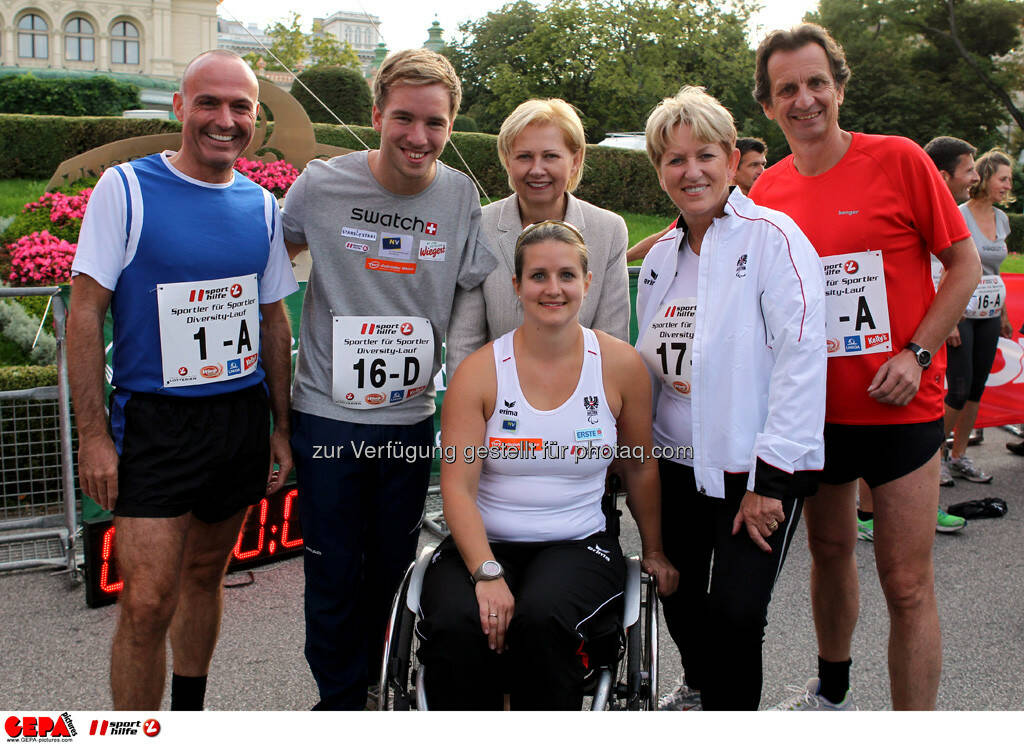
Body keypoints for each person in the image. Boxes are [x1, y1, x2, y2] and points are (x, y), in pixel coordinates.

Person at [749, 24, 981, 710]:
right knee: (829, 553)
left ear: (840, 88)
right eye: (787, 88)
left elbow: (963, 266)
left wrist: (917, 352)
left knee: (906, 583)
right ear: (768, 105)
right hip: (815, 416)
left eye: (817, 82)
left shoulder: (900, 160)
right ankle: (834, 692)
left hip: (900, 407)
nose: (805, 99)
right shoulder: (767, 189)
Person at [67, 49, 298, 710]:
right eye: (209, 103)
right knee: (144, 603)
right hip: (155, 422)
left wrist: (281, 427)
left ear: (255, 117)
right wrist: (92, 436)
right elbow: (84, 315)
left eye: (240, 107)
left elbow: (273, 318)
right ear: (180, 107)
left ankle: (190, 717)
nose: (224, 120)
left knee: (206, 574)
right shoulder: (127, 188)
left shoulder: (261, 205)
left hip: (238, 419)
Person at [281, 49, 497, 710]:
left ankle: (381, 687)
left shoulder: (459, 195)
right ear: (377, 114)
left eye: (434, 122)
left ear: (451, 125)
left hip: (407, 420)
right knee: (333, 571)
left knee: (394, 571)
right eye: (403, 117)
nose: (418, 136)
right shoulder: (321, 185)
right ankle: (339, 702)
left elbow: (470, 299)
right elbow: (272, 260)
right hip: (326, 417)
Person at [415, 220, 679, 710]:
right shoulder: (480, 372)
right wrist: (486, 571)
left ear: (587, 282)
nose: (552, 289)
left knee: (543, 618)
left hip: (576, 542)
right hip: (487, 541)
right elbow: (456, 487)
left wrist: (656, 550)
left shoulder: (620, 366)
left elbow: (640, 467)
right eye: (537, 276)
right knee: (456, 621)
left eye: (565, 275)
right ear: (516, 286)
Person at [637, 86, 826, 711]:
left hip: (754, 469)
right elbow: (650, 363)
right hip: (674, 463)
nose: (690, 171)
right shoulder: (661, 257)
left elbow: (801, 359)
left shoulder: (774, 236)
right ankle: (700, 688)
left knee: (739, 613)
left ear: (728, 157)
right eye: (673, 158)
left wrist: (771, 480)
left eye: (705, 155)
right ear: (660, 169)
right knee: (679, 594)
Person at [445, 99, 629, 376]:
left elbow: (612, 345)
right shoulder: (478, 226)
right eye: (524, 156)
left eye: (551, 156)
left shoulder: (609, 230)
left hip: (582, 402)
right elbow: (464, 343)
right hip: (497, 402)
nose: (537, 169)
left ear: (575, 160)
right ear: (507, 160)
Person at [943, 149, 1016, 482]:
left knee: (976, 388)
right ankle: (931, 457)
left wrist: (1001, 314)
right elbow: (942, 264)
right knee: (957, 389)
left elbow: (995, 270)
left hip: (989, 313)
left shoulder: (1001, 219)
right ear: (985, 178)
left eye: (1010, 179)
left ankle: (959, 455)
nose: (1008, 184)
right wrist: (949, 319)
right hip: (962, 312)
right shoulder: (959, 213)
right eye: (1003, 178)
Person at [624, 135, 768, 264]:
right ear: (734, 166)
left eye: (763, 164)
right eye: (754, 165)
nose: (761, 171)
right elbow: (665, 238)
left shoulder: (770, 222)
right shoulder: (705, 207)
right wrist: (622, 259)